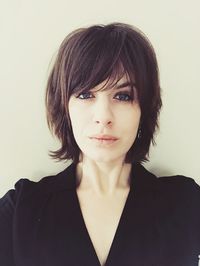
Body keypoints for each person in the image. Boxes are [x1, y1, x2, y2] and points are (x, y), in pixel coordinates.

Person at [0, 22, 200, 266]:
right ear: (65, 106)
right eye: (85, 94)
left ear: (144, 110)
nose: (103, 116)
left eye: (123, 96)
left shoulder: (186, 205)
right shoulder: (20, 211)